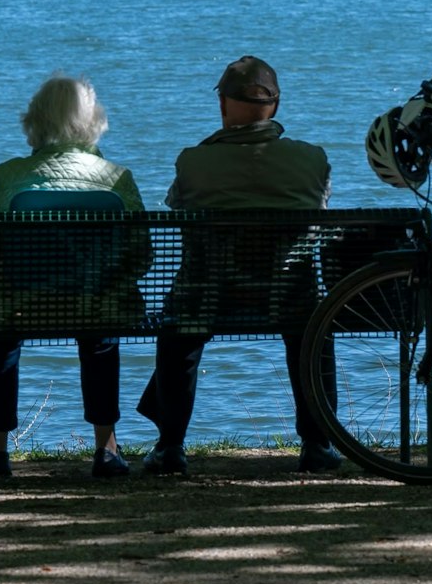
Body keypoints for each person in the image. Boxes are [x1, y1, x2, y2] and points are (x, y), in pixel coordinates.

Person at [136, 55, 340, 476]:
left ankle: (170, 444)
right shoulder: (312, 158)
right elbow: (319, 213)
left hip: (209, 298)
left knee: (180, 328)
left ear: (224, 106)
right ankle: (317, 444)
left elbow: (180, 208)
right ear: (276, 107)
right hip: (290, 299)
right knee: (312, 328)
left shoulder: (193, 161)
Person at [0, 75, 146, 480]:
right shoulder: (117, 178)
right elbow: (141, 258)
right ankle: (107, 447)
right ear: (93, 121)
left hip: (18, 306)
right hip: (94, 304)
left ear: (34, 122)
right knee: (101, 326)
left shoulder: (5, 177)